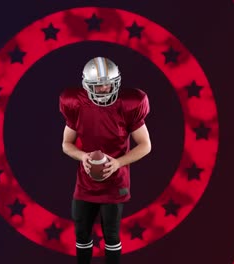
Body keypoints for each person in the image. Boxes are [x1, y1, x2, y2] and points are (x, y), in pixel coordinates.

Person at [59, 57, 152, 264]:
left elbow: (146, 145)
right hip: (85, 182)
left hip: (115, 182)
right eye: (98, 85)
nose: (104, 88)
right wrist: (83, 156)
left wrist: (118, 163)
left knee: (111, 235)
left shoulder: (129, 104)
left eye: (108, 83)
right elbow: (66, 143)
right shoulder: (76, 104)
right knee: (81, 234)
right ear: (86, 85)